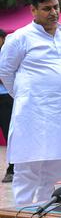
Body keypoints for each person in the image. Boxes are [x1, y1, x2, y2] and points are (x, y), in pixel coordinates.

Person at [0, 0, 61, 205]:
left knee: (56, 176)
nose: (53, 12)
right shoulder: (19, 38)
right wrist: (26, 96)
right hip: (32, 117)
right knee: (27, 172)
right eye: (47, 8)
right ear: (33, 10)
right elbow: (5, 72)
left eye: (56, 7)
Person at [0, 29, 15, 183]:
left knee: (9, 134)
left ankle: (12, 168)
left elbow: (7, 75)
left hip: (5, 98)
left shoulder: (7, 54)